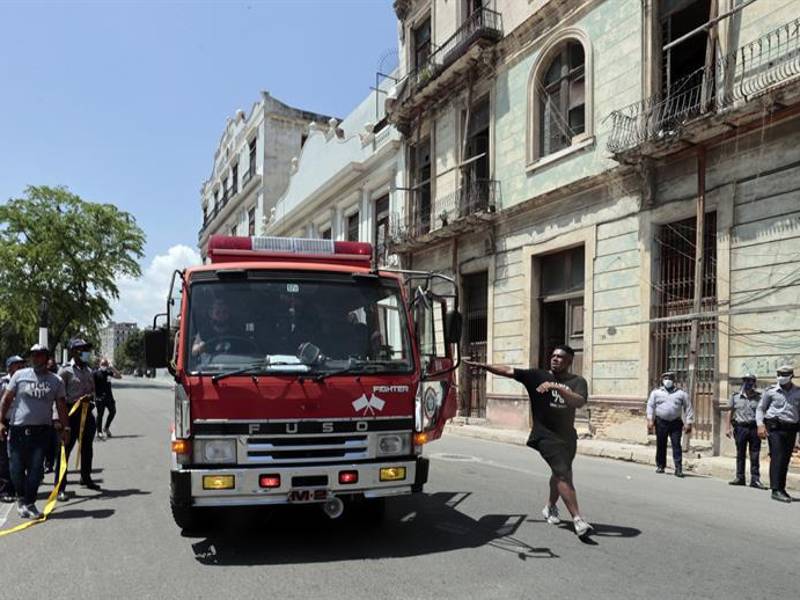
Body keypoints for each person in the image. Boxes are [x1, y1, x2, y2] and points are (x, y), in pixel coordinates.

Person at [466, 345, 593, 538]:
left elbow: (579, 402)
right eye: (553, 355)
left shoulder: (578, 381)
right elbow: (509, 371)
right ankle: (578, 520)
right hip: (544, 435)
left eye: (560, 357)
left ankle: (550, 507)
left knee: (561, 473)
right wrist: (484, 366)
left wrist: (557, 387)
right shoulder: (537, 376)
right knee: (562, 474)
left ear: (569, 362)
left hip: (567, 436)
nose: (555, 359)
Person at [0, 345, 69, 519]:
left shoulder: (56, 381)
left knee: (36, 470)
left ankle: (29, 502)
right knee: (15, 468)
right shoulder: (19, 375)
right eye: (33, 355)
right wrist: (0, 422)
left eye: (40, 355)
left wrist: (65, 428)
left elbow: (61, 406)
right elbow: (6, 400)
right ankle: (21, 499)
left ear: (47, 358)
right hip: (17, 431)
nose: (36, 358)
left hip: (42, 433)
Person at [56, 338, 100, 500]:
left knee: (87, 448)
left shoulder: (88, 370)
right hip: (70, 415)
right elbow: (58, 396)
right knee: (64, 451)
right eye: (82, 349)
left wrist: (91, 397)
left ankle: (86, 478)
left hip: (87, 414)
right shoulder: (65, 371)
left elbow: (92, 390)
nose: (86, 352)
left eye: (87, 349)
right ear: (74, 352)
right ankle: (60, 487)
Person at [756, 365, 800, 503]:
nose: (781, 377)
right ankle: (775, 490)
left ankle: (782, 488)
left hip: (791, 428)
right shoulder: (771, 391)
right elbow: (761, 408)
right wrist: (760, 425)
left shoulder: (798, 392)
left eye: (784, 375)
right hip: (775, 428)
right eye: (779, 374)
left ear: (791, 376)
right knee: (777, 457)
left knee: (785, 459)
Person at [646, 371, 694, 478]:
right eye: (666, 378)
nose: (668, 381)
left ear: (674, 381)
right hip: (661, 421)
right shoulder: (656, 393)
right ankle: (660, 465)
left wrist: (689, 422)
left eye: (670, 378)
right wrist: (650, 420)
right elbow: (650, 406)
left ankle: (678, 468)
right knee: (661, 444)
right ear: (662, 380)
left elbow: (688, 408)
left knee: (676, 445)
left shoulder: (681, 394)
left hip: (675, 422)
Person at [726, 373, 766, 489]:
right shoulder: (735, 396)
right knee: (740, 454)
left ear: (754, 383)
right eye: (746, 381)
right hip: (740, 428)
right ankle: (740, 477)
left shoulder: (759, 397)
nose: (748, 383)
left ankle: (755, 479)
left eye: (750, 381)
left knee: (755, 454)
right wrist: (727, 427)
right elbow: (730, 411)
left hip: (754, 428)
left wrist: (763, 427)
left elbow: (764, 412)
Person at [0, 355, 26, 503]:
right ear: (9, 367)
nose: (21, 368)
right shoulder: (3, 383)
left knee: (18, 457)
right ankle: (4, 490)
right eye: (17, 365)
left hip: (20, 423)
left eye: (22, 365)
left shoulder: (26, 382)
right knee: (4, 458)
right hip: (5, 422)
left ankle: (17, 487)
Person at [93, 359, 121, 440]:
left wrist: (113, 368)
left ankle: (106, 427)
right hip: (99, 398)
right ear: (99, 364)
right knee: (100, 415)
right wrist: (94, 396)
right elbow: (92, 385)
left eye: (105, 364)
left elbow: (119, 376)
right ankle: (99, 432)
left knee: (113, 412)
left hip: (109, 397)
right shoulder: (95, 373)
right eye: (102, 364)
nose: (104, 366)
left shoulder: (109, 373)